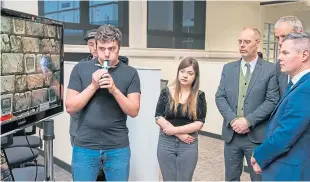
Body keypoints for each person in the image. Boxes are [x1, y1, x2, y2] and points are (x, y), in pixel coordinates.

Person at [66, 24, 141, 181]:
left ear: (119, 48)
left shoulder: (130, 73)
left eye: (111, 48)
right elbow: (70, 107)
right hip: (85, 145)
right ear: (95, 47)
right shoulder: (80, 69)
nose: (107, 54)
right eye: (102, 48)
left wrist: (114, 90)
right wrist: (93, 86)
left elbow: (133, 110)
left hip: (117, 146)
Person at [215, 28, 279, 181]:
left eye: (247, 42)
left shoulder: (270, 70)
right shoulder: (229, 68)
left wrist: (248, 121)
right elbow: (220, 97)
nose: (242, 45)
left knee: (258, 178)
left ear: (257, 43)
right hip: (232, 135)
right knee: (231, 178)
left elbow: (272, 100)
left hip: (256, 136)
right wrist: (233, 120)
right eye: (240, 41)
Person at [251, 32, 310, 181]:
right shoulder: (297, 83)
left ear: (304, 55)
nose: (279, 57)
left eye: (285, 53)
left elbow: (285, 134)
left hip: (289, 170)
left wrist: (259, 155)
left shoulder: (305, 88)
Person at [155, 57, 207, 181]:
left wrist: (174, 131)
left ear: (195, 76)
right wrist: (179, 134)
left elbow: (199, 123)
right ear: (178, 72)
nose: (185, 76)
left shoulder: (199, 95)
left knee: (184, 179)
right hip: (166, 143)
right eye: (182, 71)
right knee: (168, 179)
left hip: (188, 144)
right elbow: (158, 116)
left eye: (190, 73)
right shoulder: (166, 92)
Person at [69, 29, 98, 146]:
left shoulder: (113, 65)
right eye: (91, 44)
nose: (95, 48)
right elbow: (72, 99)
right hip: (79, 123)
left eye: (97, 43)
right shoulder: (80, 66)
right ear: (88, 46)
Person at [274, 16, 304, 97]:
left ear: (300, 33)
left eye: (284, 36)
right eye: (277, 38)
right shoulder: (279, 65)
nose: (280, 42)